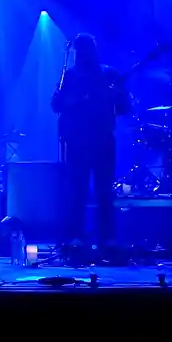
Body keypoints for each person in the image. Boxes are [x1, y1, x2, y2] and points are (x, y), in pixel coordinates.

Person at [51, 33, 130, 261]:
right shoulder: (71, 75)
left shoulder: (109, 74)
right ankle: (75, 237)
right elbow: (56, 104)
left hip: (104, 139)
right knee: (77, 190)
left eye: (87, 48)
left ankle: (108, 239)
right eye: (80, 49)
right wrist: (75, 99)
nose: (84, 53)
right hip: (77, 141)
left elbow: (124, 107)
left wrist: (117, 95)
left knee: (105, 190)